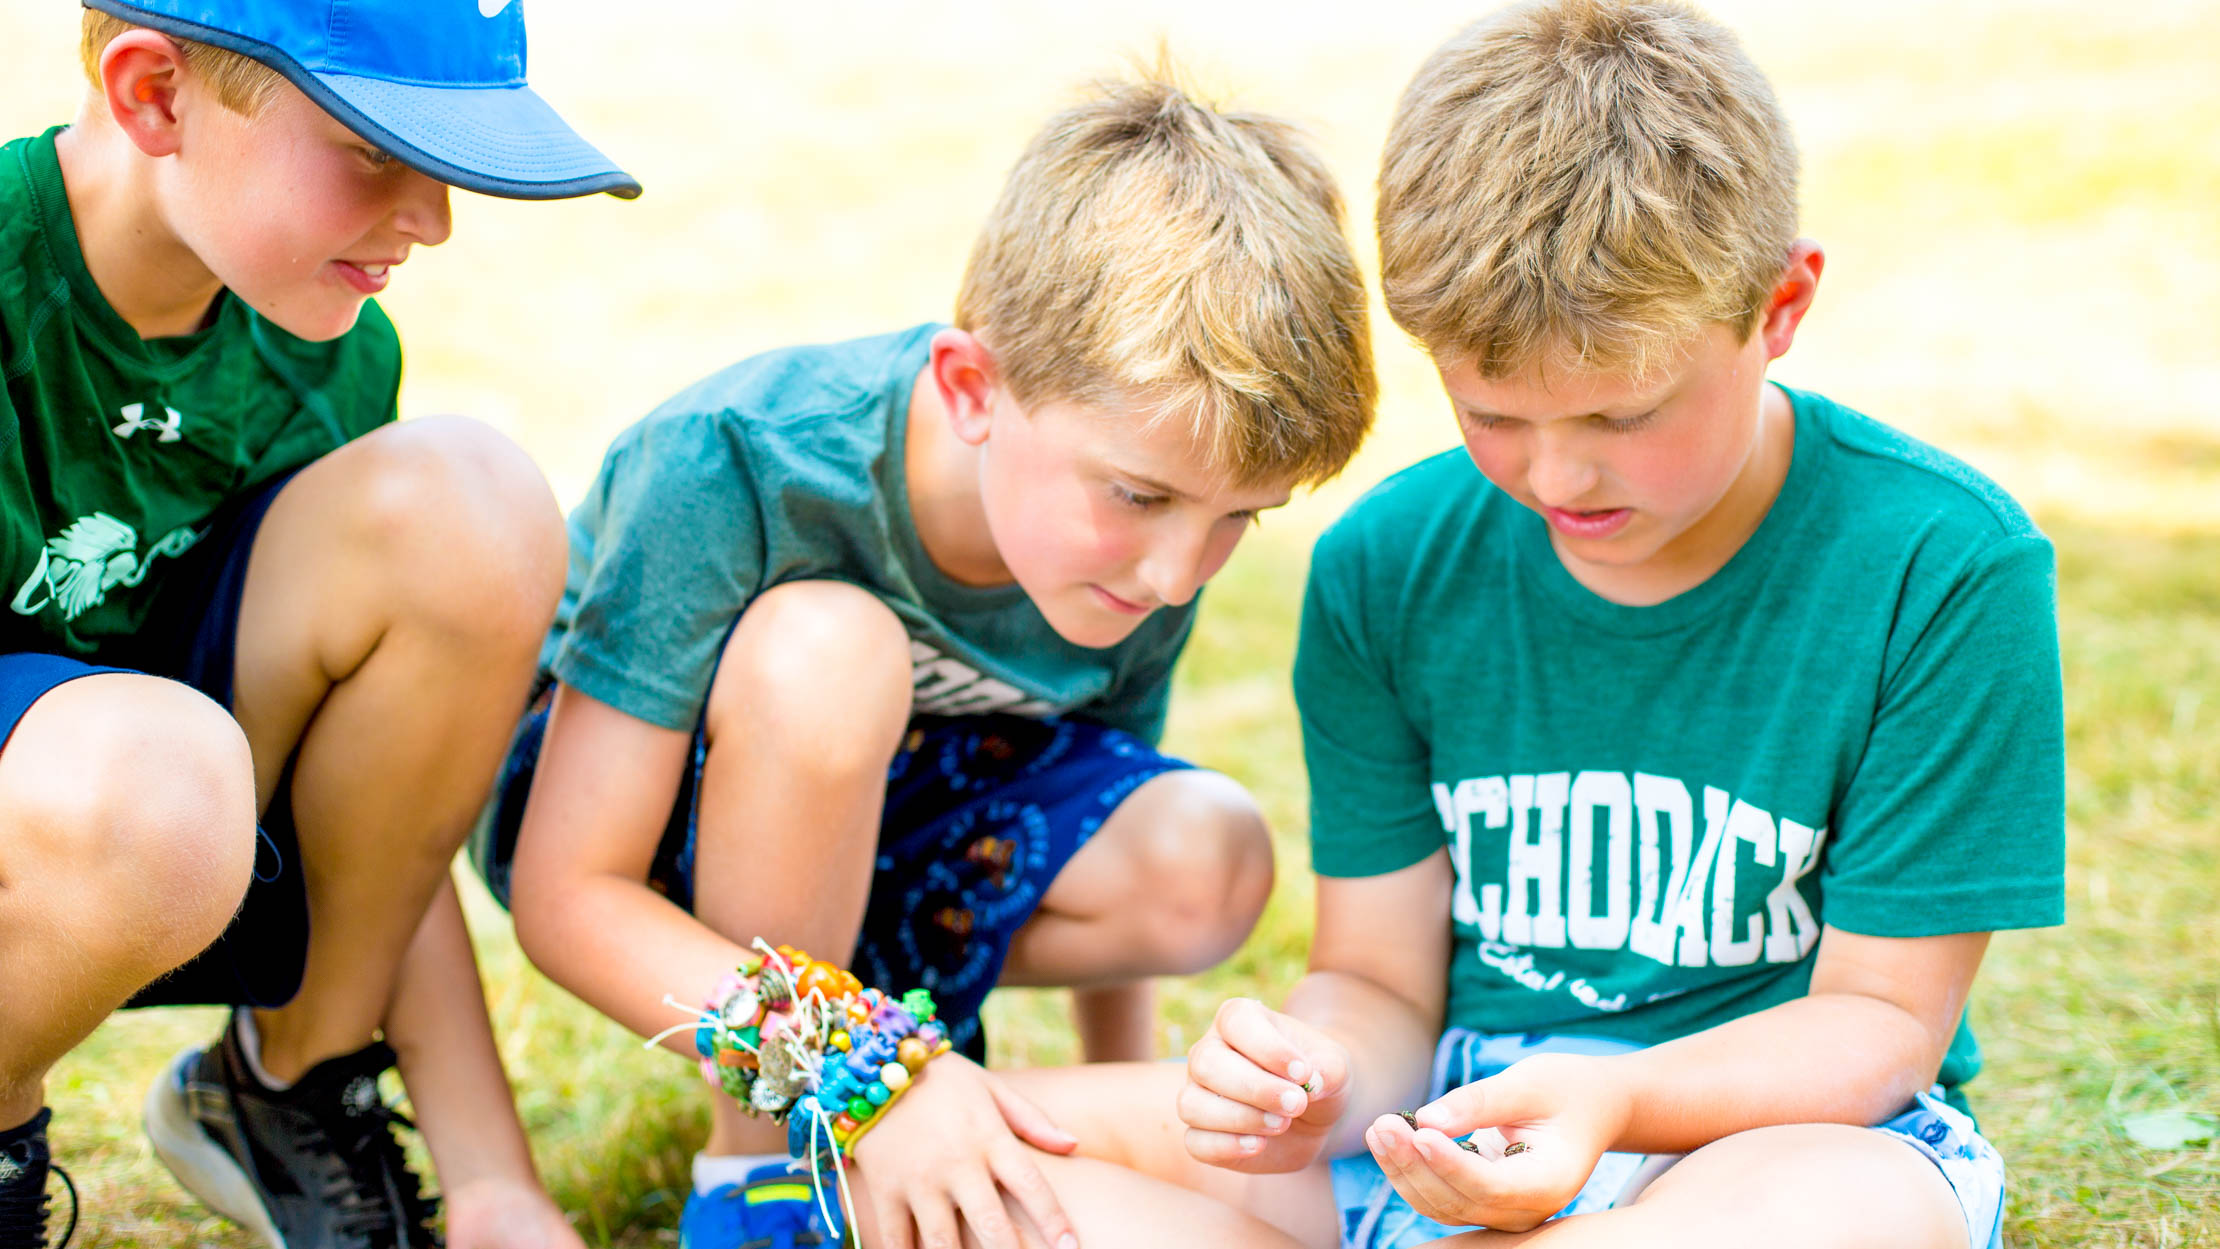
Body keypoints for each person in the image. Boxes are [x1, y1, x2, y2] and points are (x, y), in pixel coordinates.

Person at [893, 3, 2067, 1247]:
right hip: (1444, 1133)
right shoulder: (1387, 566)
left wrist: (1615, 1097)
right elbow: (1381, 982)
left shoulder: (1941, 564)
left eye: (1621, 419)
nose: (1557, 479)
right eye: (1494, 414)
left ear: (1780, 305)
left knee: (1848, 1212)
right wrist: (1319, 1075)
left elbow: (1880, 1026)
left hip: (1771, 1140)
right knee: (949, 1154)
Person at [468, 68, 1377, 1249]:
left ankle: (890, 1079)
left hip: (902, 816)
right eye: (1142, 497)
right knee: (829, 651)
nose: (1175, 572)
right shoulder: (737, 461)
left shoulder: (1133, 537)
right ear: (971, 388)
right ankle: (761, 1176)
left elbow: (1106, 776)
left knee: (1207, 845)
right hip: (642, 828)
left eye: (1234, 520)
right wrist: (856, 1069)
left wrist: (1150, 1108)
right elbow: (566, 896)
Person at [0, 1, 639, 1245]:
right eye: (372, 150)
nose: (435, 220)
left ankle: (291, 1090)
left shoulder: (327, 352)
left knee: (477, 501)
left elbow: (385, 813)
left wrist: (496, 1180)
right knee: (156, 775)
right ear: (154, 96)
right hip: (100, 809)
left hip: (175, 821)